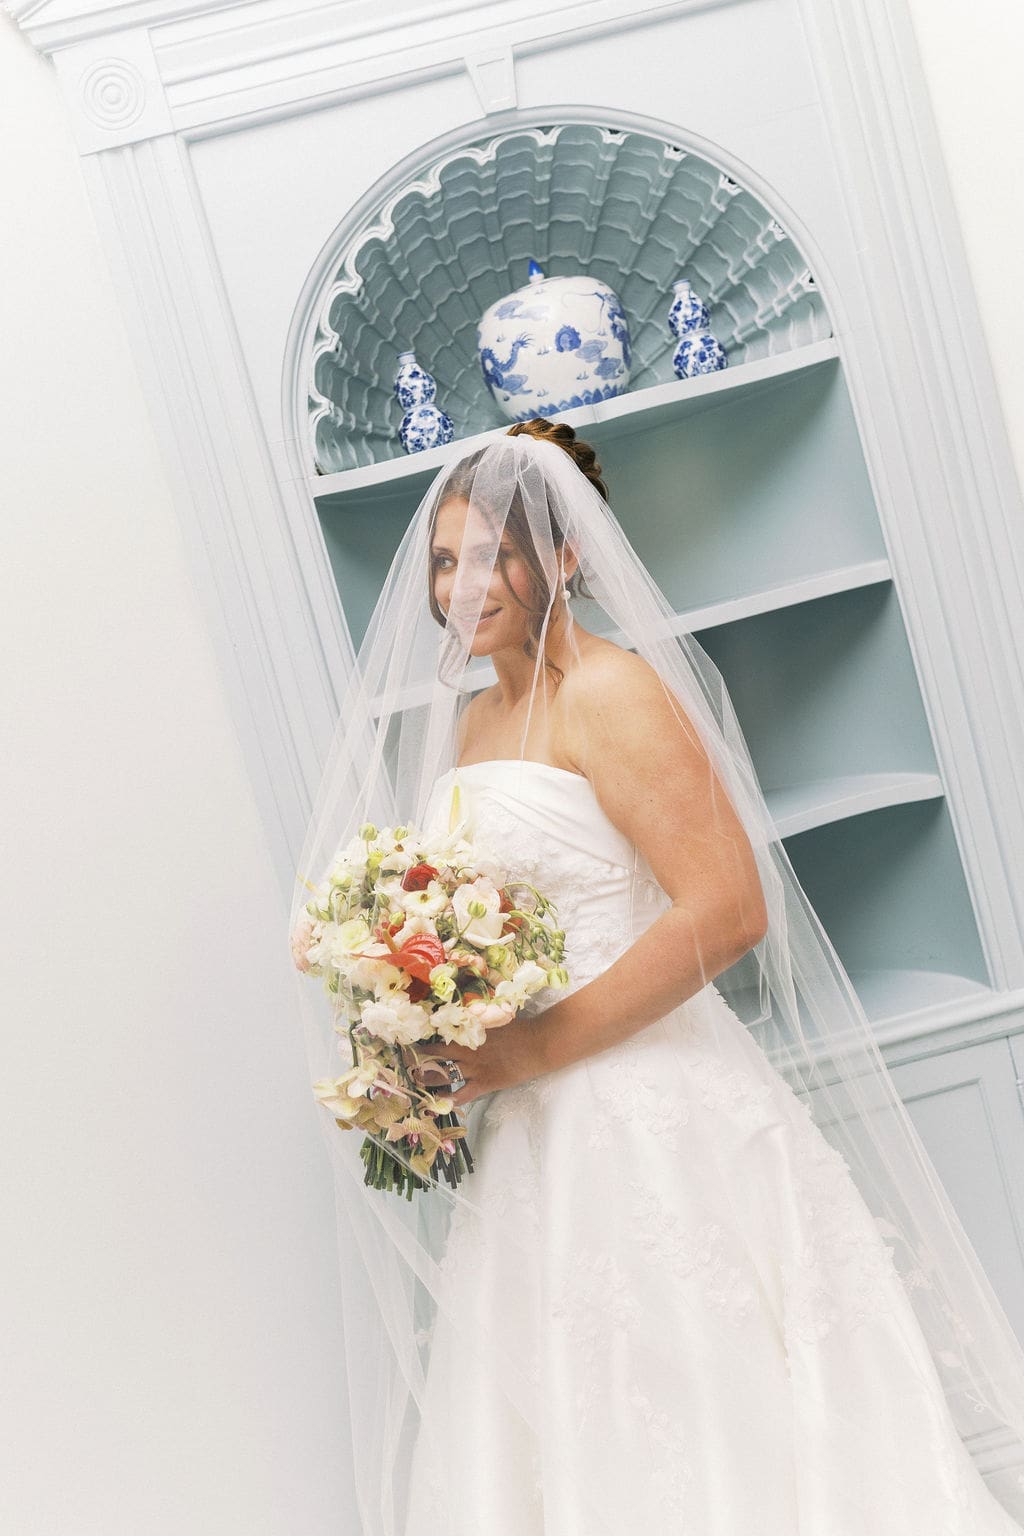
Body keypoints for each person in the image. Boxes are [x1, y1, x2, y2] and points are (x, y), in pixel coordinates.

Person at [290, 420, 1024, 1535]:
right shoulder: (477, 721)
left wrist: (530, 1047)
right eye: (446, 560)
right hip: (531, 1135)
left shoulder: (611, 693)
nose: (461, 584)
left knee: (698, 1402)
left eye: (492, 554)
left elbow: (726, 911)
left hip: (648, 1110)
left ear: (568, 557)